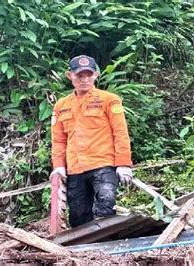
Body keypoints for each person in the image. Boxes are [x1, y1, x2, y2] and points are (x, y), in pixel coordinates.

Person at [50, 55, 133, 227]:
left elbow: (120, 132)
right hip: (75, 169)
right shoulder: (61, 106)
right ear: (69, 76)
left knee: (106, 203)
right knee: (79, 217)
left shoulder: (109, 100)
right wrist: (58, 165)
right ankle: (85, 253)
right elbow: (58, 139)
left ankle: (109, 248)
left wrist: (123, 163)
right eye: (79, 75)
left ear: (96, 75)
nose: (84, 80)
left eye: (89, 75)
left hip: (102, 165)